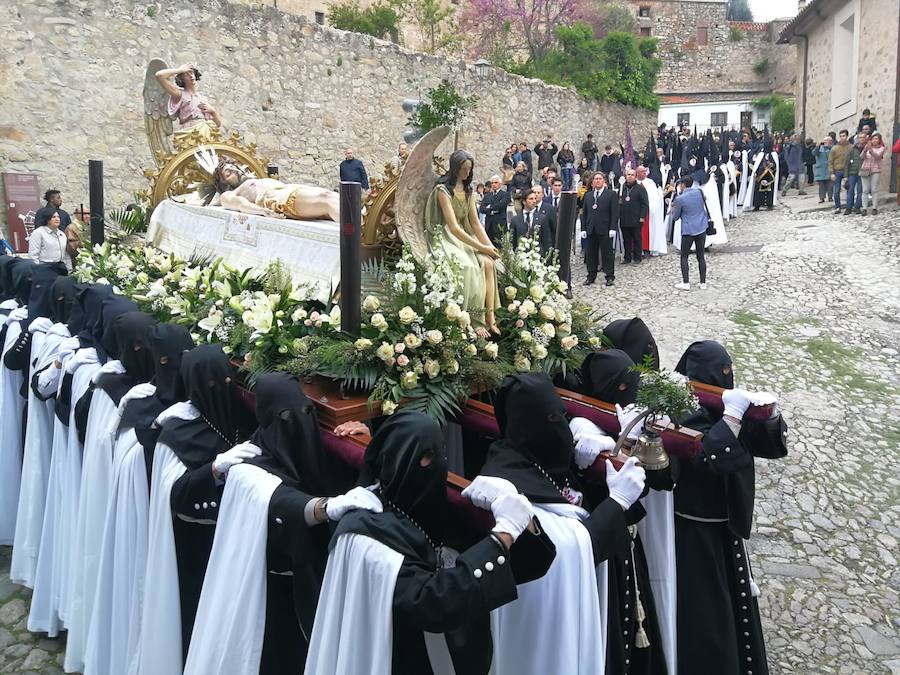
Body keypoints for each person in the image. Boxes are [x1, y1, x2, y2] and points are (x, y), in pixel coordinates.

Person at [306, 410, 553, 675]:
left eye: (439, 454)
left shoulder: (428, 506)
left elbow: (531, 564)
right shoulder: (367, 536)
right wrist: (503, 535)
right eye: (427, 455)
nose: (437, 464)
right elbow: (432, 603)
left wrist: (519, 517)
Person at [183, 373, 379, 674]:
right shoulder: (247, 468)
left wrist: (367, 444)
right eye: (288, 415)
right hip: (272, 591)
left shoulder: (309, 447)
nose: (299, 419)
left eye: (306, 411)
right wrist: (325, 507)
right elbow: (281, 502)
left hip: (315, 580)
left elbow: (352, 483)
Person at [472, 373, 647, 675]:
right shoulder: (509, 483)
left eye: (563, 418)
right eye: (553, 419)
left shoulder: (538, 455)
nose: (561, 429)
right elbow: (564, 550)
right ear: (528, 424)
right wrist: (617, 502)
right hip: (544, 622)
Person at [673, 340, 787, 675]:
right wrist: (733, 418)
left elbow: (769, 447)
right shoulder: (682, 409)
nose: (726, 377)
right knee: (708, 615)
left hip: (726, 528)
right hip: (695, 533)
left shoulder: (723, 403)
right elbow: (710, 456)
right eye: (720, 372)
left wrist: (767, 416)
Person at [426, 149, 501, 336]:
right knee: (469, 267)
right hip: (446, 236)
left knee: (488, 264)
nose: (467, 173)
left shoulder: (469, 191)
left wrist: (490, 247)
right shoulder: (443, 190)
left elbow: (475, 224)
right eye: (463, 169)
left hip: (465, 235)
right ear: (455, 168)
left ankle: (490, 317)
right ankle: (472, 320)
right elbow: (453, 227)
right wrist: (482, 247)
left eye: (469, 169)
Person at [213, 159, 340, 221]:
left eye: (234, 167)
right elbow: (240, 204)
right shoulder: (229, 194)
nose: (235, 170)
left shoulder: (258, 180)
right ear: (224, 184)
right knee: (326, 199)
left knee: (335, 197)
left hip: (289, 189)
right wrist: (262, 211)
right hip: (275, 198)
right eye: (228, 173)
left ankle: (353, 229)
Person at [154, 63, 222, 139]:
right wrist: (180, 70)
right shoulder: (179, 94)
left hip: (204, 131)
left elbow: (217, 125)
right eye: (186, 75)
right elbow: (159, 75)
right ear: (182, 79)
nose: (190, 76)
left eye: (191, 73)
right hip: (190, 131)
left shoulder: (203, 98)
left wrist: (213, 111)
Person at [670, 176, 708, 291]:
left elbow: (675, 217)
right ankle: (703, 282)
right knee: (700, 256)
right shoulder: (699, 192)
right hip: (701, 227)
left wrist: (673, 209)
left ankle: (686, 282)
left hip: (688, 230)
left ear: (682, 185)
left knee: (684, 256)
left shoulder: (680, 199)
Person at [581, 172, 619, 287]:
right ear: (592, 182)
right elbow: (584, 213)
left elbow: (614, 212)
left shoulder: (611, 194)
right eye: (595, 179)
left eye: (600, 179)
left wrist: (613, 228)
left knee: (607, 253)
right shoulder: (588, 195)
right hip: (591, 228)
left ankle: (609, 276)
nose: (597, 181)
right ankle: (591, 276)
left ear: (604, 181)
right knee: (591, 254)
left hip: (605, 228)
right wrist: (583, 228)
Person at [618, 169, 650, 265]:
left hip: (636, 218)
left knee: (637, 239)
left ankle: (637, 257)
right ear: (625, 176)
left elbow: (645, 204)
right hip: (624, 218)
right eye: (628, 174)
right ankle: (627, 258)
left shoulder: (640, 188)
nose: (630, 176)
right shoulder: (622, 188)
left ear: (635, 176)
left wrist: (642, 216)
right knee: (626, 239)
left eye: (632, 175)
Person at [636, 165, 666, 257]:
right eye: (641, 171)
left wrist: (652, 208)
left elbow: (654, 197)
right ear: (637, 173)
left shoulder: (650, 183)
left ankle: (648, 248)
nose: (644, 173)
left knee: (649, 231)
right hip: (636, 211)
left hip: (649, 212)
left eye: (644, 171)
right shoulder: (634, 182)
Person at [479, 175, 511, 248]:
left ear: (500, 184)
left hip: (499, 225)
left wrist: (489, 207)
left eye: (496, 182)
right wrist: (491, 210)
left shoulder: (505, 194)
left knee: (500, 246)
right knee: (489, 246)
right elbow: (482, 208)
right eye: (492, 183)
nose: (493, 184)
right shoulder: (488, 195)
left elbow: (501, 206)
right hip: (489, 225)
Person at [859, 132, 885, 216]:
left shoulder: (882, 148)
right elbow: (861, 157)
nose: (874, 140)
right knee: (865, 190)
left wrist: (870, 150)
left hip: (875, 170)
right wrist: (865, 150)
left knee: (874, 189)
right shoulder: (867, 147)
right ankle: (864, 208)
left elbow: (877, 156)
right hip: (865, 169)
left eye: (876, 139)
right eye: (873, 139)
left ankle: (874, 207)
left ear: (879, 140)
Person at [828, 129, 852, 214]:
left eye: (844, 136)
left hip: (848, 171)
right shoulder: (835, 148)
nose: (842, 138)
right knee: (836, 190)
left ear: (847, 136)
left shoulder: (851, 147)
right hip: (837, 170)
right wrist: (831, 173)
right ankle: (838, 207)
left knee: (849, 190)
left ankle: (849, 207)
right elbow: (830, 161)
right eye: (841, 136)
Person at [844, 132, 865, 215]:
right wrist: (846, 176)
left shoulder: (867, 148)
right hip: (852, 173)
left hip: (863, 173)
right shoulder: (852, 149)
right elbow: (846, 163)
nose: (862, 139)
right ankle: (848, 207)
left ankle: (857, 207)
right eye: (860, 137)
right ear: (857, 139)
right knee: (850, 190)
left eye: (863, 137)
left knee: (860, 191)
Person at [813, 137, 833, 204]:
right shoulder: (820, 149)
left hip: (829, 169)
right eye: (825, 141)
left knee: (830, 185)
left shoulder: (832, 148)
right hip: (820, 169)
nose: (826, 142)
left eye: (828, 141)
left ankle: (830, 197)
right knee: (821, 185)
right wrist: (818, 146)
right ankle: (822, 198)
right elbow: (814, 153)